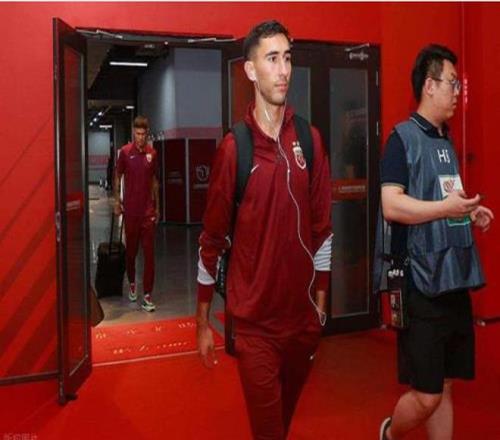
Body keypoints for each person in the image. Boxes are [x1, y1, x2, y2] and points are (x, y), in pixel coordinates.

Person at [196, 20, 332, 440]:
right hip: (255, 327)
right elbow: (211, 240)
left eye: (287, 58)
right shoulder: (234, 149)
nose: (284, 70)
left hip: (302, 325)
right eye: (272, 59)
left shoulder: (309, 140)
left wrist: (320, 303)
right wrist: (202, 320)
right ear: (251, 70)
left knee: (281, 426)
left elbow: (323, 230)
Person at [377, 44, 494, 440]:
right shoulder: (401, 140)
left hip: (453, 278)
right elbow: (392, 205)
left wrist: (467, 213)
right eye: (452, 83)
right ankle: (390, 434)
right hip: (420, 284)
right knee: (426, 395)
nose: (458, 92)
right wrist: (445, 208)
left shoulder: (445, 141)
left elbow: (443, 200)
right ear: (429, 86)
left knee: (445, 385)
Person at [114, 115, 160, 312]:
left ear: (147, 134)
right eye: (138, 133)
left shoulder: (152, 153)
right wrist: (117, 201)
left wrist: (158, 207)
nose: (140, 137)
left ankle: (147, 295)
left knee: (149, 255)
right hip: (131, 212)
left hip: (147, 213)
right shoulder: (125, 152)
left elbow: (154, 181)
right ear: (134, 133)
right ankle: (132, 283)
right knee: (131, 253)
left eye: (143, 134)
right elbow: (117, 176)